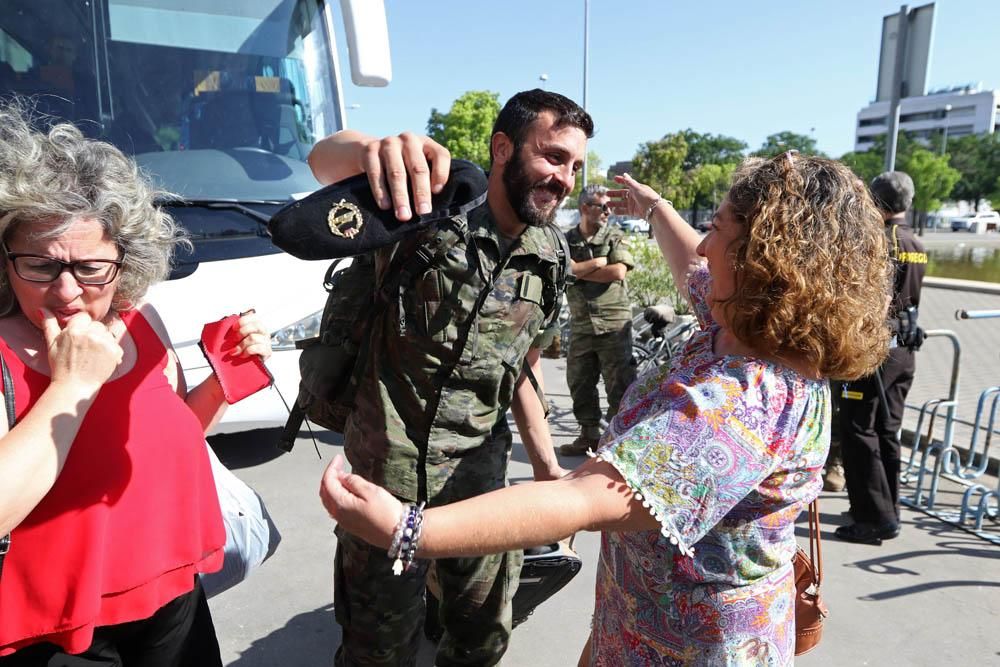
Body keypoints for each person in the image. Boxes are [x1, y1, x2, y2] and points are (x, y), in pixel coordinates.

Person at [320, 152, 894, 665]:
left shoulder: (750, 399)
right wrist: (655, 207)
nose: (703, 244)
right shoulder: (743, 320)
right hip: (640, 617)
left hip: (694, 646)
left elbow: (586, 497)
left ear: (764, 264)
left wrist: (408, 529)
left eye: (717, 230)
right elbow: (687, 266)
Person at [306, 89, 592, 666]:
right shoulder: (424, 215)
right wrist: (374, 149)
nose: (565, 179)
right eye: (554, 157)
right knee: (378, 650)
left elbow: (523, 367)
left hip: (478, 485)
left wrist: (546, 469)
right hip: (384, 478)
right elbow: (321, 162)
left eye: (576, 166)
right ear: (503, 148)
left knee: (481, 642)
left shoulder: (551, 254)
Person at [0, 102, 273, 664]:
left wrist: (223, 380)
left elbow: (172, 435)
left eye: (91, 268)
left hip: (174, 600)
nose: (67, 292)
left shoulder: (138, 318)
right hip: (57, 633)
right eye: (40, 265)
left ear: (125, 261)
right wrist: (72, 387)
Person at [836, 170, 926, 545]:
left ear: (876, 202)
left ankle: (874, 519)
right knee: (887, 431)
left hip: (876, 348)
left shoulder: (879, 241)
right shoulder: (915, 240)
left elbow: (871, 298)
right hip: (905, 349)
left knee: (858, 429)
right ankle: (888, 508)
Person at [560, 184, 636, 456]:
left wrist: (578, 272)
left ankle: (617, 442)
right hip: (582, 323)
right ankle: (588, 435)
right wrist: (595, 263)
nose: (608, 211)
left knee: (620, 384)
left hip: (613, 322)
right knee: (580, 382)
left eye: (609, 207)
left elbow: (617, 272)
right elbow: (562, 271)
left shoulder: (615, 235)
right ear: (584, 208)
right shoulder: (566, 239)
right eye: (602, 206)